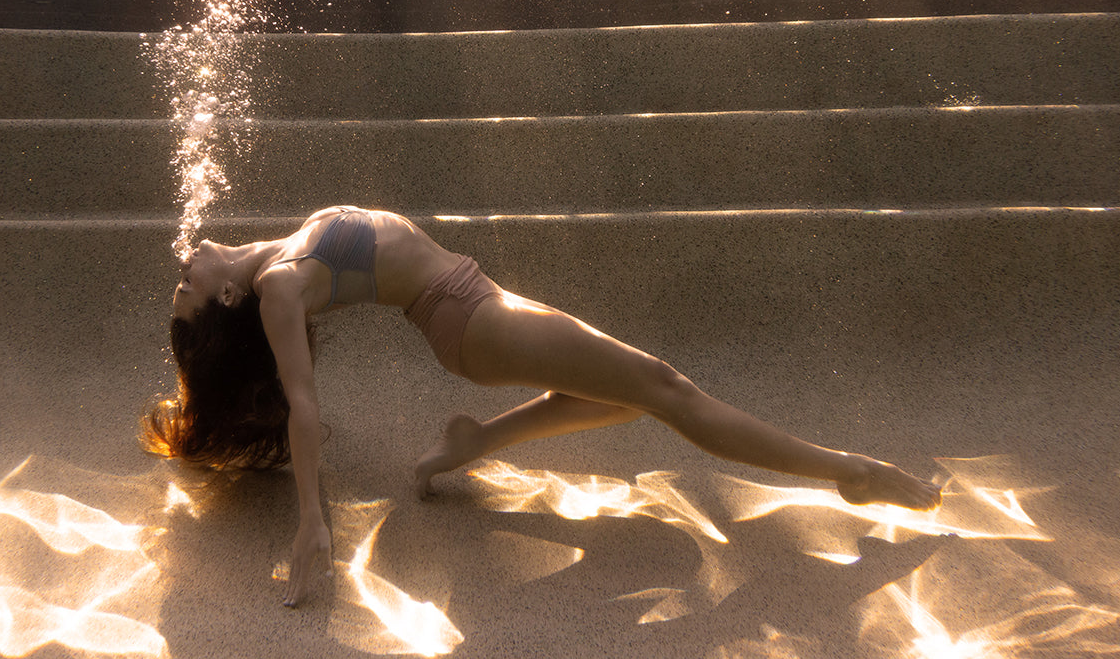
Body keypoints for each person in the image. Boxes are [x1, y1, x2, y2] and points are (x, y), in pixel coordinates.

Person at [144, 205, 941, 607]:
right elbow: (302, 404)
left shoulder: (275, 258)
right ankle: (848, 472)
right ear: (224, 296)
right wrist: (312, 518)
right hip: (472, 320)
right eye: (187, 293)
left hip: (476, 301)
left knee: (627, 399)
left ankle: (470, 442)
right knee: (667, 389)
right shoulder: (279, 285)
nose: (183, 271)